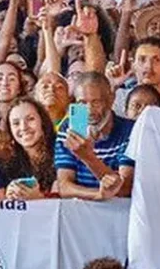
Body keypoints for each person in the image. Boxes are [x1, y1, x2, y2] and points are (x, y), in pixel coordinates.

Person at [54, 73, 135, 201]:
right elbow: (64, 187)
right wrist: (98, 195)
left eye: (96, 102)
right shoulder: (68, 128)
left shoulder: (130, 131)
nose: (89, 110)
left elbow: (124, 188)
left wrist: (88, 157)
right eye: (82, 103)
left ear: (111, 99)